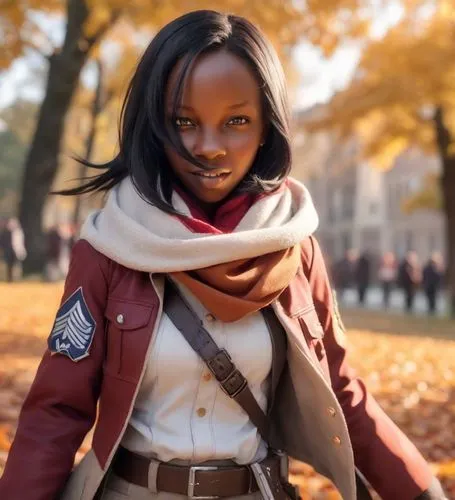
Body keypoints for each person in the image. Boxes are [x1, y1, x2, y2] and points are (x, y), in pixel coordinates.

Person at [0, 10, 446, 500]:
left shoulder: (295, 249)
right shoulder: (110, 246)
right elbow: (56, 410)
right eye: (184, 122)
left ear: (266, 125)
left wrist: (425, 492)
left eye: (236, 120)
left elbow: (342, 395)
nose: (209, 148)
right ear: (155, 126)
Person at [0, 216, 27, 282]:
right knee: (9, 267)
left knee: (16, 266)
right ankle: (9, 279)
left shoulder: (18, 233)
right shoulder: (5, 233)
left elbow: (20, 243)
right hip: (9, 252)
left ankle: (16, 279)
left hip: (16, 252)